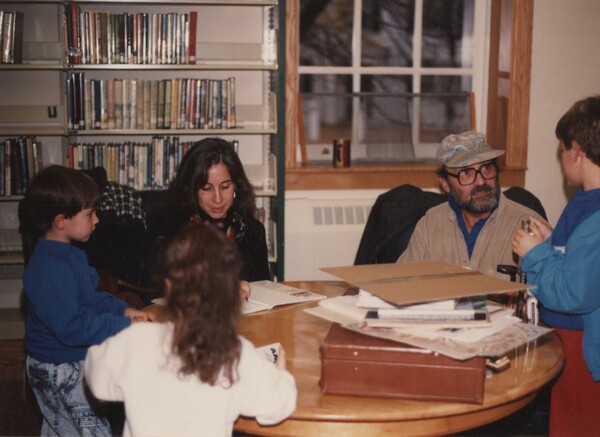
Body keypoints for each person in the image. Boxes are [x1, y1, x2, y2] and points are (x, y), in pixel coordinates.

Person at [84, 222, 297, 437]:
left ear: (168, 286)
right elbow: (279, 405)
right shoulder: (236, 353)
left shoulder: (135, 340)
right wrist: (281, 374)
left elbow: (96, 378)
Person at [19, 165, 154, 436]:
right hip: (59, 368)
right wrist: (122, 326)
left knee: (61, 427)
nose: (97, 220)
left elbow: (89, 299)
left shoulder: (70, 254)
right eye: (90, 214)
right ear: (61, 221)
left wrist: (122, 310)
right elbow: (73, 328)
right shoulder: (50, 268)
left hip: (59, 364)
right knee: (92, 429)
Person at [512, 96, 600, 437]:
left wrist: (535, 254)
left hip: (586, 349)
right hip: (570, 342)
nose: (562, 158)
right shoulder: (584, 202)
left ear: (576, 150)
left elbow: (574, 293)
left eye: (562, 150)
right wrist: (551, 244)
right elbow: (580, 266)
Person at [398, 130, 548, 279]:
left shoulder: (530, 227)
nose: (481, 181)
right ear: (445, 184)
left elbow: (553, 288)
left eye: (486, 168)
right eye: (465, 173)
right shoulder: (430, 225)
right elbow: (401, 283)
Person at [165, 137, 270, 289]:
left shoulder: (254, 231)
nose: (218, 199)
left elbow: (263, 290)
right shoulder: (173, 231)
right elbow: (164, 293)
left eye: (225, 187)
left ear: (236, 186)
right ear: (192, 190)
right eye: (207, 188)